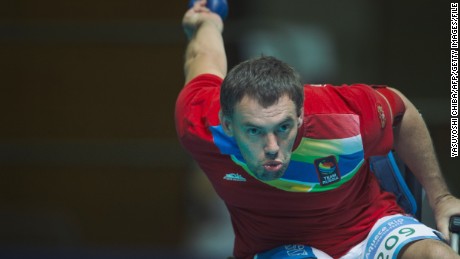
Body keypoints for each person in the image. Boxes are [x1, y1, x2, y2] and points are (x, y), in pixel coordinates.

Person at [175, 1, 460, 258]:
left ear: (300, 116)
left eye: (283, 127)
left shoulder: (343, 115)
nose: (272, 146)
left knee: (438, 256)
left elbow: (403, 112)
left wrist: (441, 198)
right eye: (254, 131)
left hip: (371, 227)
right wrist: (208, 20)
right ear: (227, 124)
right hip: (277, 247)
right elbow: (204, 55)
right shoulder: (202, 123)